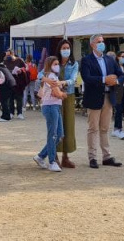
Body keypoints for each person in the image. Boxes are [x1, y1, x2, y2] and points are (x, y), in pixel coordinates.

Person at [80, 34, 124, 169]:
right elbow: (87, 78)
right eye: (98, 41)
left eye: (102, 41)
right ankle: (92, 157)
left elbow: (121, 75)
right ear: (92, 44)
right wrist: (104, 79)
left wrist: (115, 81)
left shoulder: (110, 59)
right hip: (94, 98)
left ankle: (107, 156)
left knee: (104, 128)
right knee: (93, 128)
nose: (101, 44)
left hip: (108, 97)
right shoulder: (86, 60)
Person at [33, 56, 67, 172]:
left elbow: (57, 92)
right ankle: (52, 161)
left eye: (58, 63)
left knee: (59, 134)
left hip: (54, 106)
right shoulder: (51, 76)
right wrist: (62, 94)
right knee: (53, 134)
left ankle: (41, 156)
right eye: (55, 64)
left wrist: (60, 93)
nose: (57, 66)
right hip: (51, 106)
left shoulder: (50, 76)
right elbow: (58, 93)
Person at [54, 39, 80, 168]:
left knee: (68, 126)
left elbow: (73, 79)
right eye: (63, 48)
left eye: (67, 48)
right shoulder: (54, 62)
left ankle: (65, 156)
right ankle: (54, 157)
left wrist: (63, 82)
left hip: (68, 96)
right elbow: (42, 74)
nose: (66, 50)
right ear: (59, 50)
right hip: (55, 97)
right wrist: (53, 82)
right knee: (56, 126)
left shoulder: (74, 64)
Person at [109, 51, 124, 140]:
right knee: (119, 109)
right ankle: (118, 129)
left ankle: (116, 128)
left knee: (121, 110)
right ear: (118, 57)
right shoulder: (115, 67)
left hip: (123, 89)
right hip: (117, 89)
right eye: (122, 56)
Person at [6, 50, 28, 119]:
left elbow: (26, 68)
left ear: (13, 54)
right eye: (7, 55)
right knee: (10, 99)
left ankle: (19, 113)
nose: (8, 57)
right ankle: (11, 113)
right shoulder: (6, 61)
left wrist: (21, 70)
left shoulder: (19, 60)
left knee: (19, 98)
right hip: (10, 82)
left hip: (19, 82)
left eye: (9, 55)